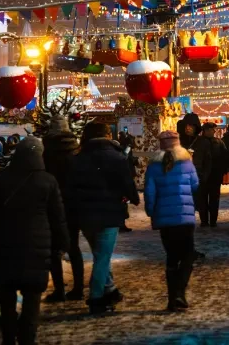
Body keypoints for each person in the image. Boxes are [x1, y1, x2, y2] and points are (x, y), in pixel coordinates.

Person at [0, 137, 68, 345]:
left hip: (5, 245)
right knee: (32, 303)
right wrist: (62, 243)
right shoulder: (48, 181)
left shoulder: (2, 179)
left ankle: (8, 337)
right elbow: (57, 217)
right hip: (37, 248)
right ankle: (27, 339)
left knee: (6, 301)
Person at [68, 122, 139, 314]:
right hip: (109, 213)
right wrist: (134, 197)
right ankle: (96, 297)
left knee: (100, 254)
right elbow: (127, 183)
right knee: (102, 257)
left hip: (84, 215)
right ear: (108, 135)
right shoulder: (116, 157)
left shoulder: (78, 159)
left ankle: (110, 289)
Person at [144, 131, 199, 312]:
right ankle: (179, 294)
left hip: (164, 219)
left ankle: (172, 298)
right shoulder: (187, 163)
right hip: (184, 217)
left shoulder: (153, 167)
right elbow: (195, 185)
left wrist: (151, 212)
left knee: (172, 257)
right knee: (188, 255)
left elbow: (150, 193)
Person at [42, 116, 83, 303]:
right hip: (74, 203)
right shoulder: (76, 151)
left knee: (53, 249)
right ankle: (79, 288)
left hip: (52, 203)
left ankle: (59, 290)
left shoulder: (47, 150)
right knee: (73, 246)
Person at [179, 113, 212, 227]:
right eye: (187, 126)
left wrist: (205, 176)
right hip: (183, 176)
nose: (188, 128)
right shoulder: (179, 142)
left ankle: (204, 221)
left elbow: (208, 161)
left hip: (199, 176)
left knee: (201, 201)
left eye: (191, 126)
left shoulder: (203, 142)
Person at [202, 123, 228, 227]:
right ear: (206, 130)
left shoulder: (218, 142)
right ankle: (205, 220)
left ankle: (212, 220)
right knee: (205, 199)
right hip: (204, 175)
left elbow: (225, 157)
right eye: (212, 129)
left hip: (215, 175)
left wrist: (223, 170)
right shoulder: (200, 142)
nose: (214, 131)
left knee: (213, 199)